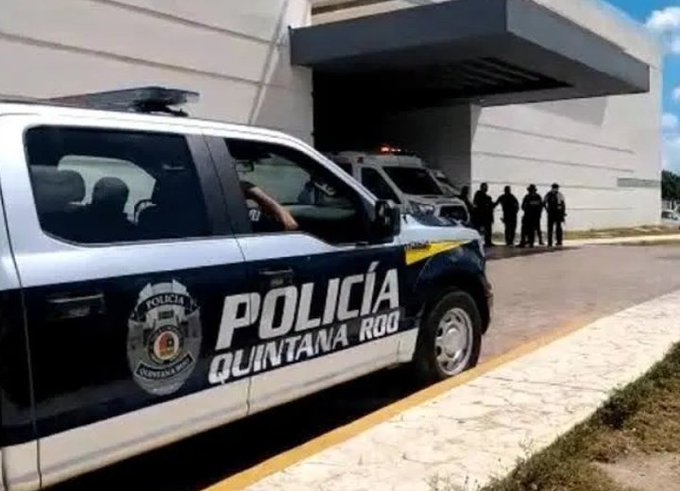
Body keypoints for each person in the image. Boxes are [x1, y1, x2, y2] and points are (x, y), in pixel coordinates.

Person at [544, 182, 566, 247]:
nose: (556, 189)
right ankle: (550, 242)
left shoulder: (559, 194)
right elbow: (544, 202)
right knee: (550, 228)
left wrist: (563, 212)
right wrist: (547, 210)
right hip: (551, 212)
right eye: (555, 188)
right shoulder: (548, 194)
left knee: (558, 227)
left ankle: (559, 241)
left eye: (556, 188)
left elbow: (563, 204)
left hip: (558, 212)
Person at [473, 182, 495, 247]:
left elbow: (490, 206)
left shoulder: (487, 197)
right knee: (480, 230)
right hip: (482, 215)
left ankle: (488, 242)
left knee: (488, 230)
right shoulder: (479, 194)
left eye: (486, 187)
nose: (486, 188)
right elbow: (477, 203)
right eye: (485, 187)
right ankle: (481, 242)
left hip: (487, 216)